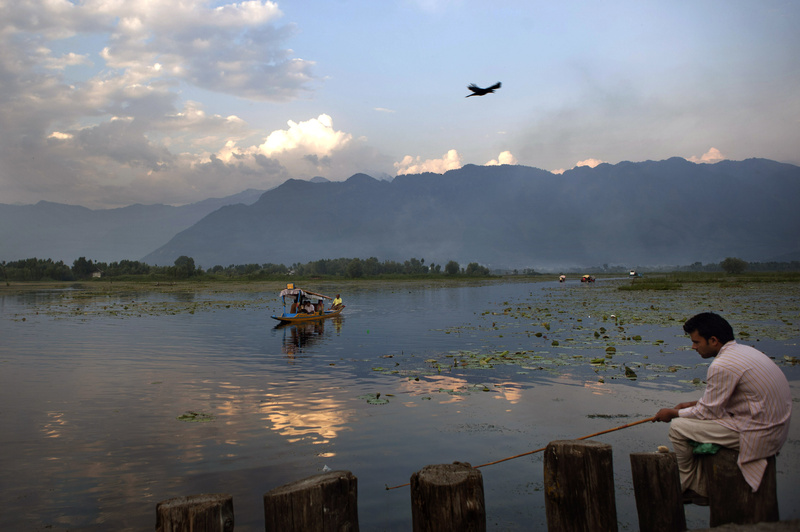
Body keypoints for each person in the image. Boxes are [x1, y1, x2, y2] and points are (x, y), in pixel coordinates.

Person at [654, 312, 791, 505]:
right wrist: (690, 405)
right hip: (773, 428)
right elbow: (725, 401)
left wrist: (672, 413)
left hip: (760, 432)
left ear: (713, 340)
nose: (693, 347)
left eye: (696, 342)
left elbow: (707, 412)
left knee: (678, 428)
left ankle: (688, 486)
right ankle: (699, 485)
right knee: (691, 421)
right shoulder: (744, 352)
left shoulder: (722, 364)